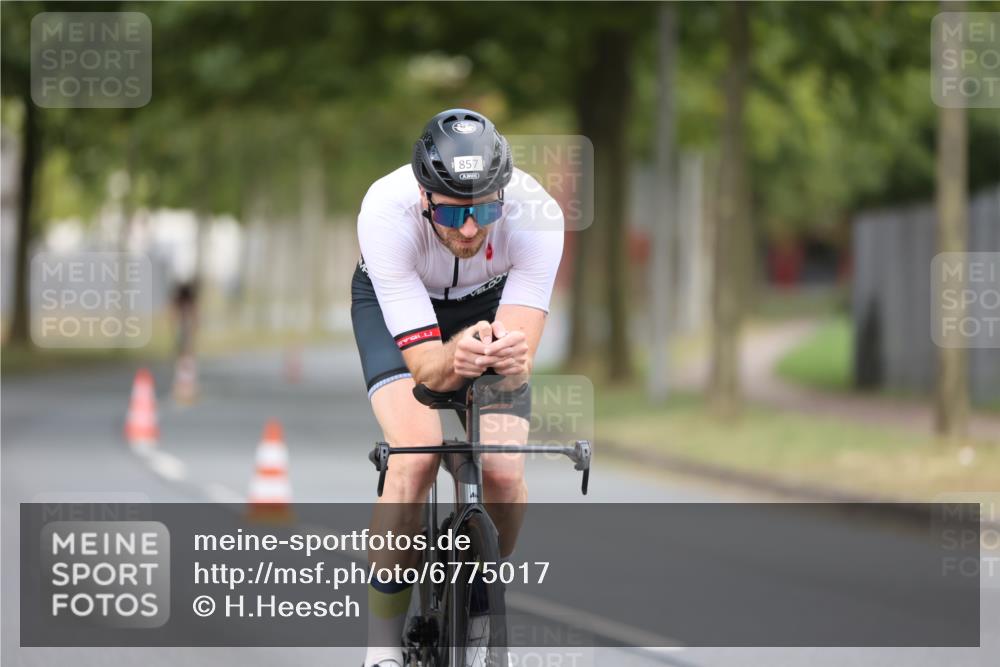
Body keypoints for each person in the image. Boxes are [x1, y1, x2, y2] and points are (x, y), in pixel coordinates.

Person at [351, 109, 564, 667]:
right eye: (451, 211)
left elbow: (517, 366)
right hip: (394, 306)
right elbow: (427, 370)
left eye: (485, 209)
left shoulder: (537, 213)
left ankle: (479, 599)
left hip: (488, 303)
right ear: (424, 197)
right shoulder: (384, 211)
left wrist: (511, 362)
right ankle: (380, 650)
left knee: (503, 472)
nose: (469, 228)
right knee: (414, 460)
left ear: (505, 194)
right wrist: (454, 357)